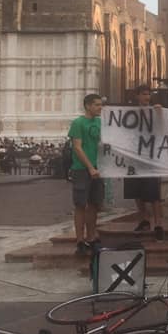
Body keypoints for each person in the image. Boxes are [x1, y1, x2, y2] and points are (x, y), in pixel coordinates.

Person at [127, 84, 165, 240]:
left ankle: (158, 224)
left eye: (148, 94)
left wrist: (160, 115)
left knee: (154, 193)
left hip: (150, 157)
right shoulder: (129, 113)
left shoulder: (155, 112)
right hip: (133, 157)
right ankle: (144, 220)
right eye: (143, 94)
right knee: (136, 192)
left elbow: (162, 131)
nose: (147, 97)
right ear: (137, 96)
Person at [68, 93, 104, 255]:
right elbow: (77, 147)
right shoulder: (78, 123)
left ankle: (91, 237)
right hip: (82, 169)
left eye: (100, 104)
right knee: (80, 205)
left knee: (94, 205)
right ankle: (80, 241)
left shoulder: (101, 122)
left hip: (98, 168)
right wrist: (90, 167)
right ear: (88, 106)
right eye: (97, 105)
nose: (100, 107)